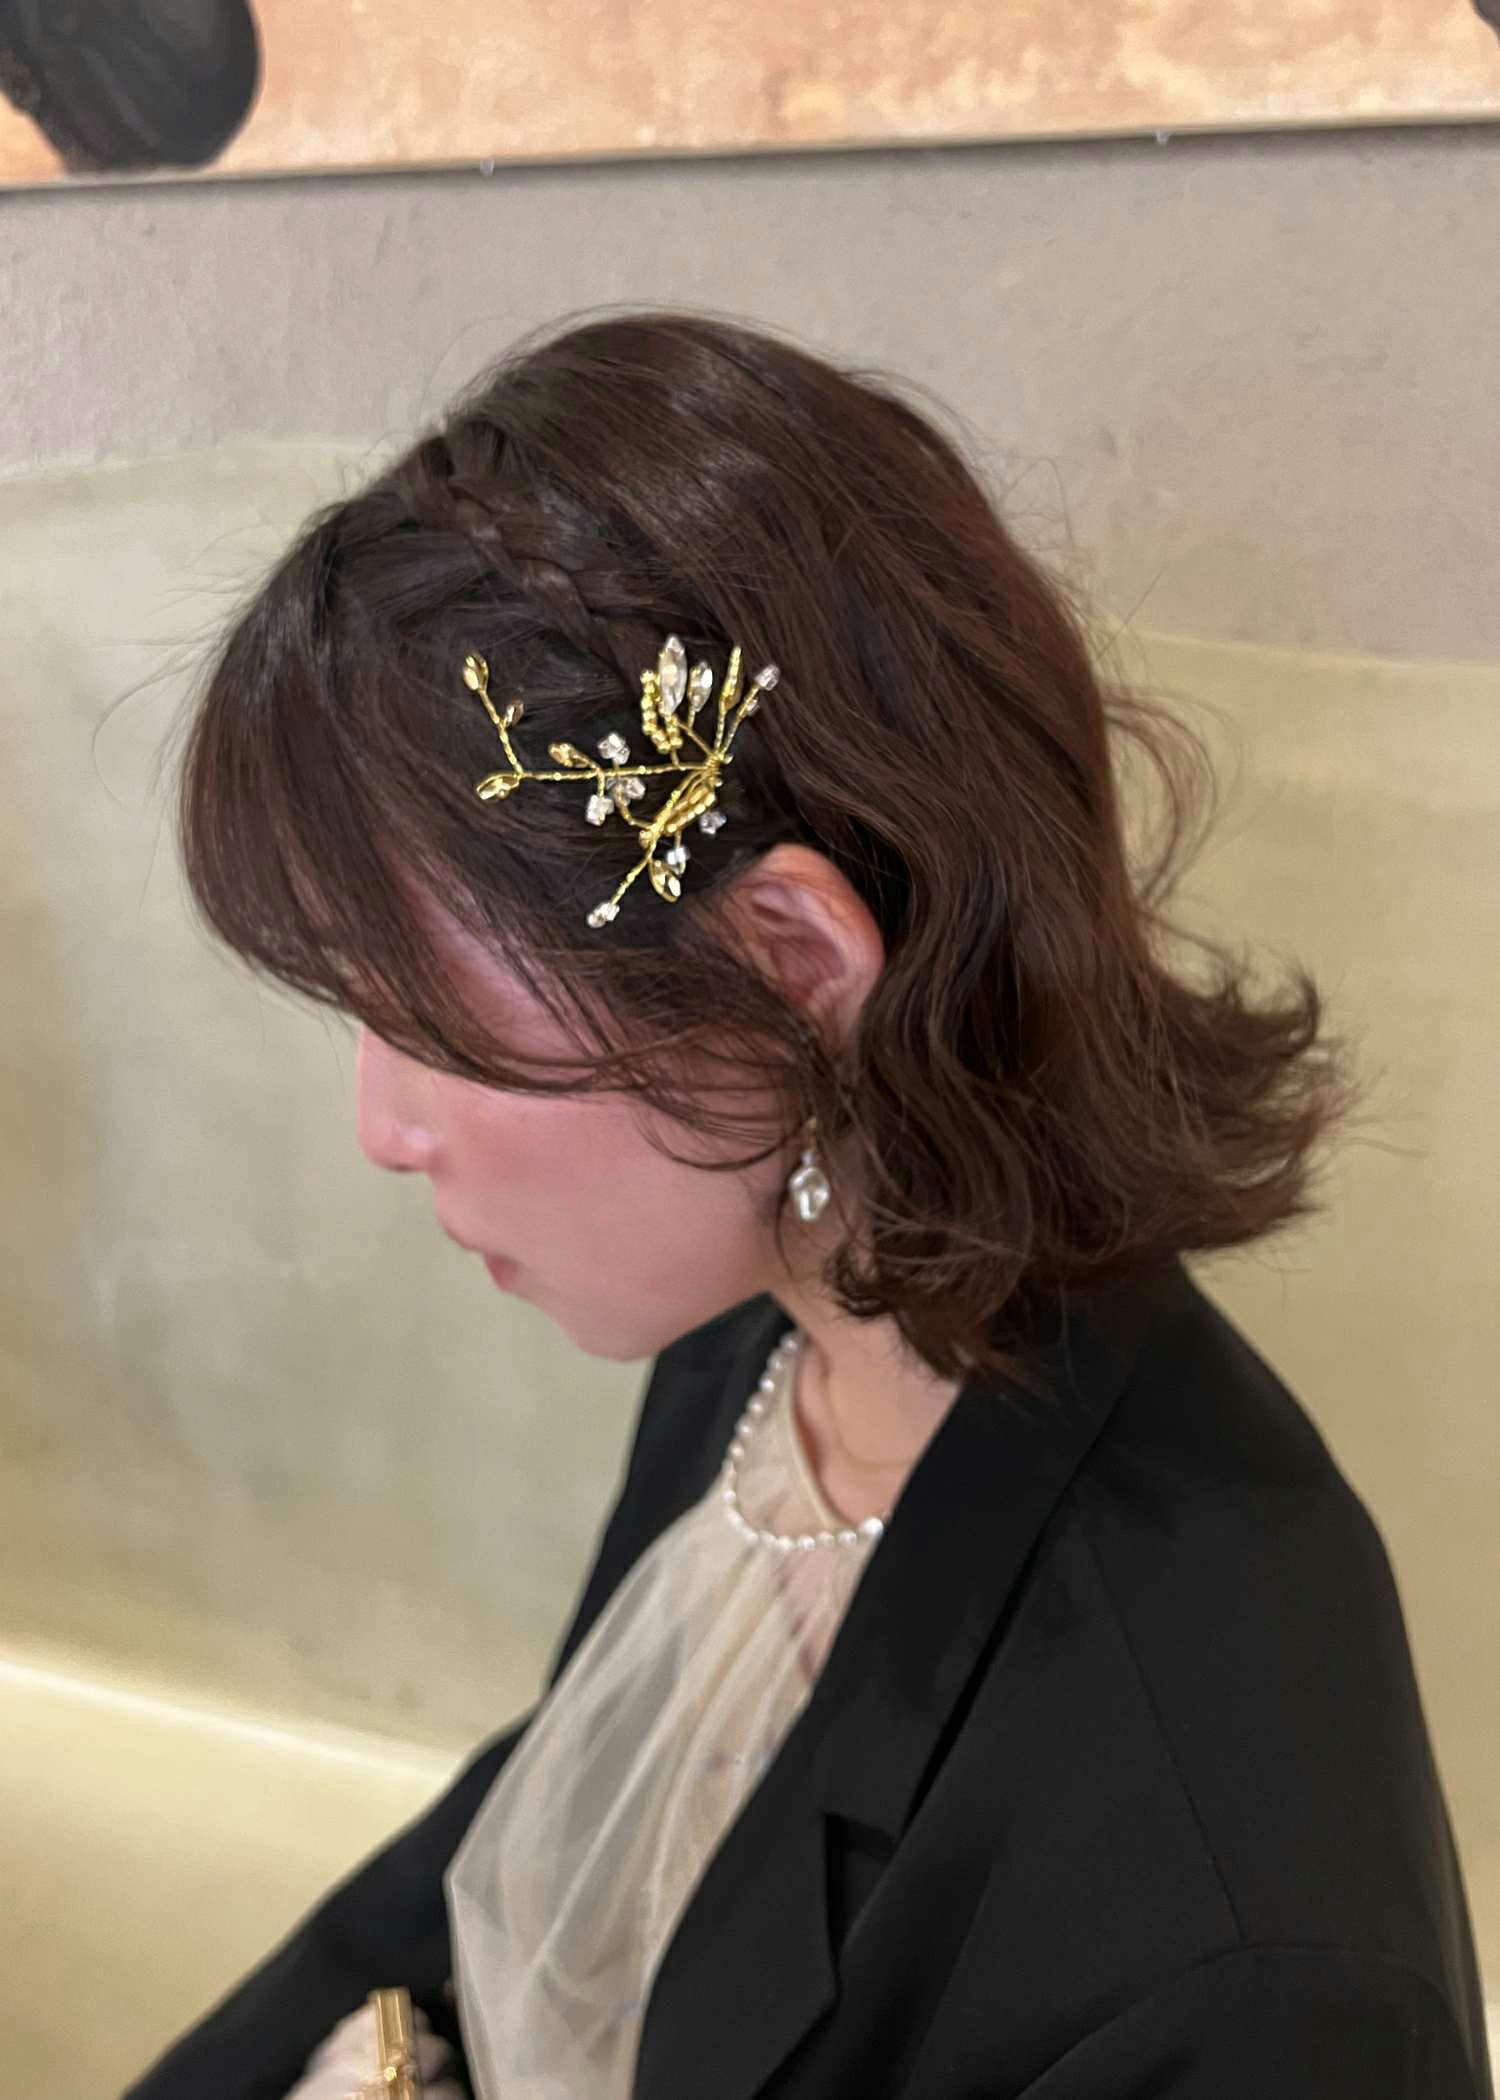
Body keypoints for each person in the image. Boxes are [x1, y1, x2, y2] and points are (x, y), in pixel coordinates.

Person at [123, 307, 1492, 2099]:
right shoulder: (781, 1322)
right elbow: (544, 1852)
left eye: (426, 1022)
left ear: (786, 964)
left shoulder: (1240, 1961)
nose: (382, 1127)